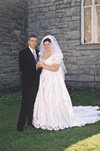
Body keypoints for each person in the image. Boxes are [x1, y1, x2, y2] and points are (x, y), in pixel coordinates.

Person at [32, 35, 100, 131]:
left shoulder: (57, 55)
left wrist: (43, 65)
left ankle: (55, 118)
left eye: (48, 44)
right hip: (43, 79)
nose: (46, 46)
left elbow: (55, 68)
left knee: (52, 97)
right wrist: (39, 65)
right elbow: (39, 65)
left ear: (52, 45)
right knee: (44, 97)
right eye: (45, 44)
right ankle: (44, 118)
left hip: (53, 80)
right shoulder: (42, 55)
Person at [17, 35, 41, 132]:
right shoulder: (23, 53)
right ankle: (20, 125)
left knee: (33, 103)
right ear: (28, 41)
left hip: (36, 82)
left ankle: (30, 122)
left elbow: (41, 67)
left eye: (35, 41)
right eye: (32, 41)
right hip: (27, 82)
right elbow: (23, 68)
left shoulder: (39, 52)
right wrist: (36, 67)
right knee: (25, 103)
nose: (33, 43)